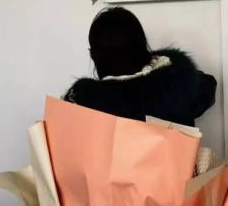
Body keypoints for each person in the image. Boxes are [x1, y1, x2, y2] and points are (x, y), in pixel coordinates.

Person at [63, 7, 216, 127]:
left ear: (93, 56)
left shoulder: (81, 103)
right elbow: (206, 86)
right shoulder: (181, 84)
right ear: (143, 48)